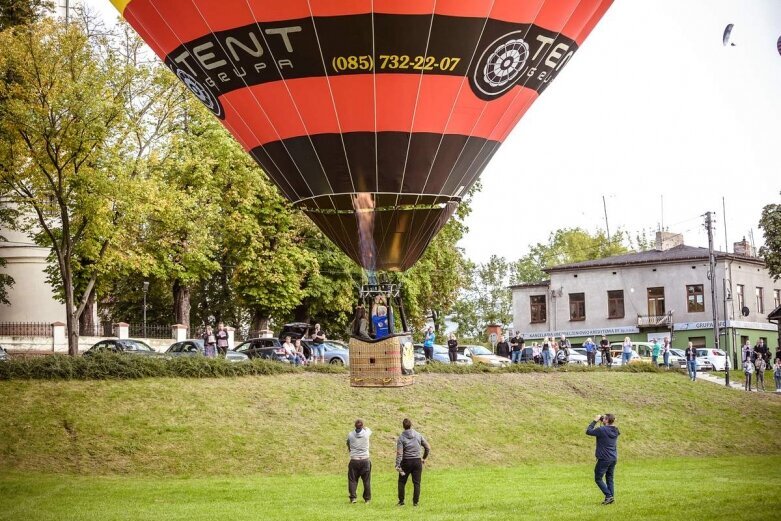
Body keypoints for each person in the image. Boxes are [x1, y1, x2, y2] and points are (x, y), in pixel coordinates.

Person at [586, 413, 620, 505]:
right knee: (609, 478)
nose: (602, 419)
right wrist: (603, 421)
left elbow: (588, 431)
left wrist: (595, 421)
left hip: (604, 458)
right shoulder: (616, 430)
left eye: (604, 418)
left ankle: (608, 496)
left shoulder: (602, 430)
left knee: (598, 478)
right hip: (613, 457)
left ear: (607, 420)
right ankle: (610, 498)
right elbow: (608, 429)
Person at [396, 418, 430, 507]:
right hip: (417, 462)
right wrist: (424, 458)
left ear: (403, 426)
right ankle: (416, 503)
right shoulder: (418, 435)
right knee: (417, 483)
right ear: (411, 425)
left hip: (406, 462)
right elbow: (427, 447)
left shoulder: (401, 437)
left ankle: (401, 502)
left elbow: (400, 453)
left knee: (402, 482)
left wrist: (398, 464)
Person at [346, 419, 372, 504]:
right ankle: (367, 499)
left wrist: (350, 451)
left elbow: (348, 443)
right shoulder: (366, 433)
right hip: (365, 460)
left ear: (355, 426)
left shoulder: (350, 434)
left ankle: (353, 498)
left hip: (354, 460)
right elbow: (368, 429)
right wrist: (364, 427)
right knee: (366, 481)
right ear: (362, 426)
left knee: (352, 480)